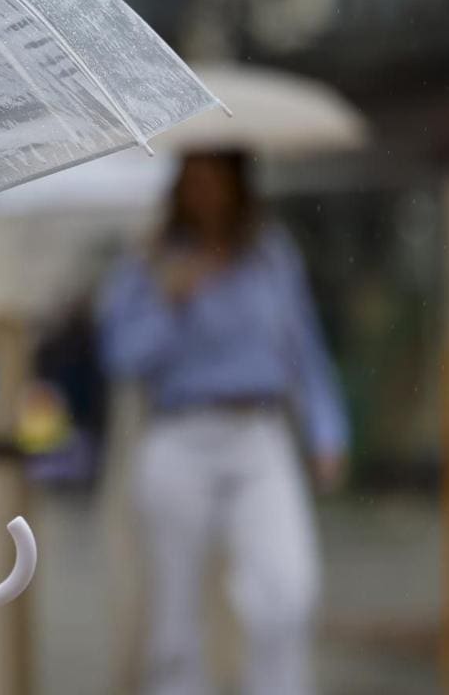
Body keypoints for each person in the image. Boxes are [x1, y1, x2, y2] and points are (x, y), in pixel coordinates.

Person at [97, 149, 348, 695]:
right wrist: (171, 301)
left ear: (238, 184)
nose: (206, 192)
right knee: (176, 612)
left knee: (285, 592)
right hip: (180, 435)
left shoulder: (272, 255)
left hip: (259, 433)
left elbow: (304, 349)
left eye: (217, 179)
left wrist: (327, 431)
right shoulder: (151, 259)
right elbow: (121, 357)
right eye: (195, 180)